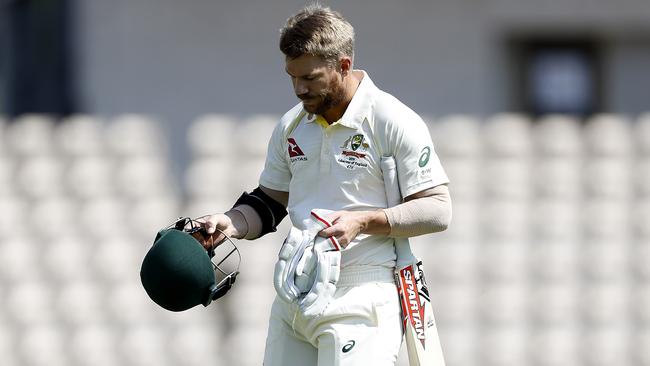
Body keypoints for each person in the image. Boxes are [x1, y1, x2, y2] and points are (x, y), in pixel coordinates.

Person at [195, 4, 452, 365]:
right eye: (292, 77)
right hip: (293, 294)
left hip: (362, 295)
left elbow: (438, 209)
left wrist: (363, 221)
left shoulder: (392, 119)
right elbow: (269, 203)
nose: (299, 89)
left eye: (310, 78)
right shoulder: (291, 126)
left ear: (343, 66)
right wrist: (231, 222)